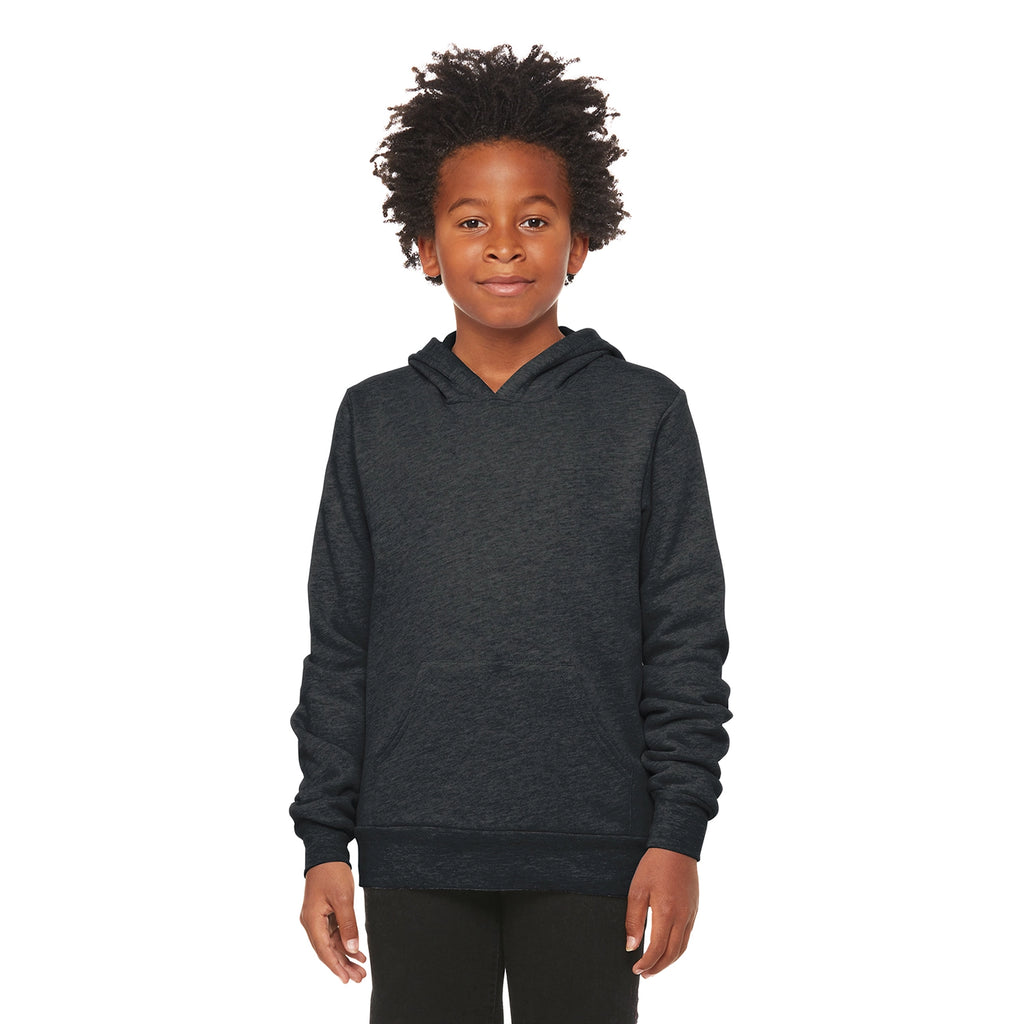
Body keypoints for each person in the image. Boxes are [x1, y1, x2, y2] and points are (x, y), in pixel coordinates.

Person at [289, 43, 732, 1024]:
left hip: (595, 848)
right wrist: (324, 840)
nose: (503, 245)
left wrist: (677, 833)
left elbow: (684, 637)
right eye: (470, 221)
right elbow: (341, 643)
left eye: (533, 220)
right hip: (413, 845)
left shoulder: (644, 413)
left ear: (578, 245)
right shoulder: (375, 418)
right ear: (425, 247)